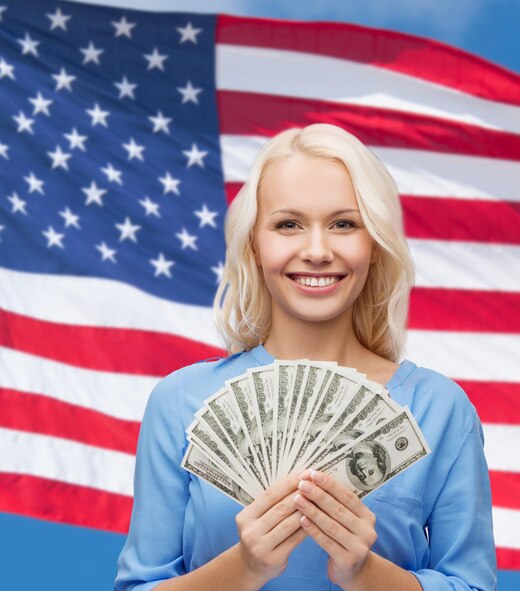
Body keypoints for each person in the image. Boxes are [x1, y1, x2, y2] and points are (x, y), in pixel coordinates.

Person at [115, 123, 497, 591]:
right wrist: (245, 567)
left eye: (343, 224)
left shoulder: (439, 408)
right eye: (288, 224)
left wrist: (367, 572)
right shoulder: (180, 401)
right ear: (254, 244)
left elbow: (473, 585)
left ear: (374, 245)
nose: (317, 251)